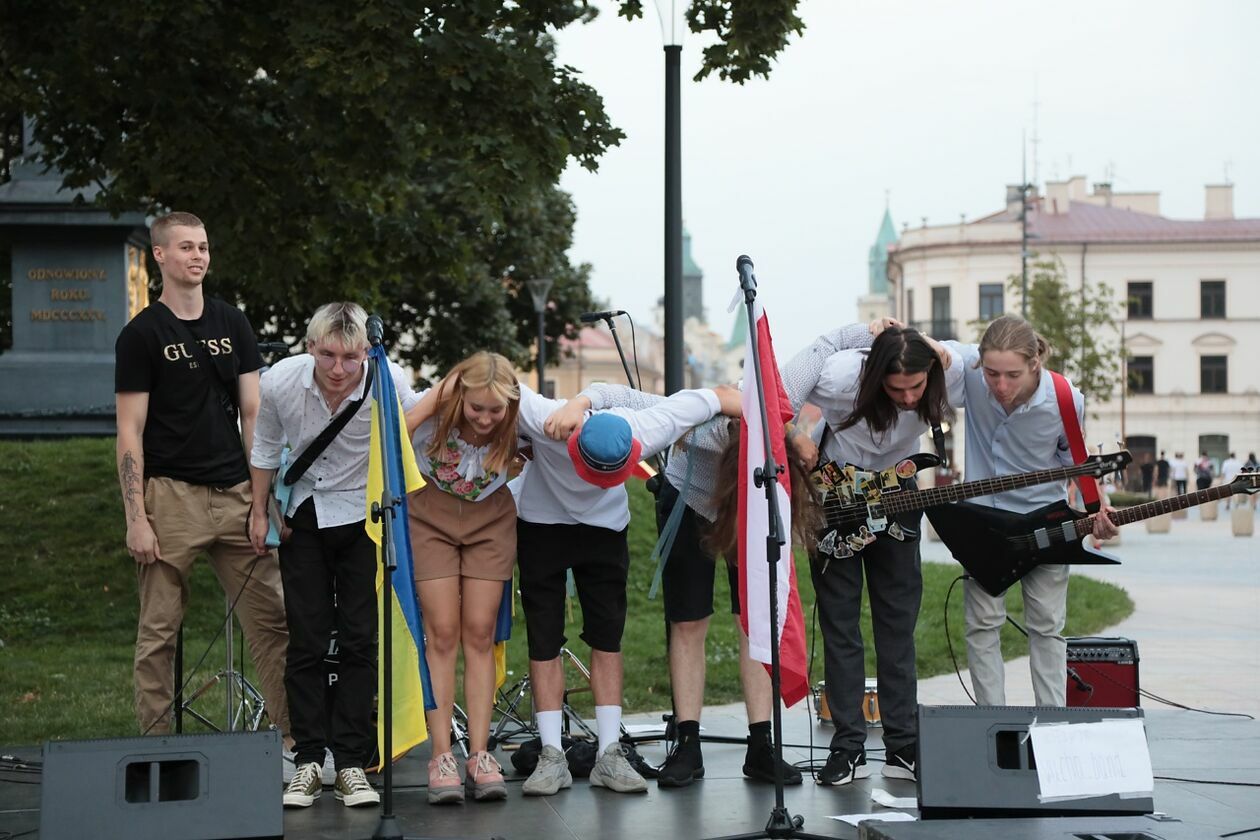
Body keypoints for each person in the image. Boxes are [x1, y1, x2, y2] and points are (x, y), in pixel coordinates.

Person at [567, 320, 885, 788]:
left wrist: (876, 330)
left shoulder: (784, 408)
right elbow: (613, 394)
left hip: (751, 512)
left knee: (757, 619)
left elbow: (827, 343)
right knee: (689, 620)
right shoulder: (699, 415)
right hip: (688, 501)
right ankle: (688, 744)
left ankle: (761, 746)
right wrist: (579, 403)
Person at [514, 384, 741, 796]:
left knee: (608, 638)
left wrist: (787, 427)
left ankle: (610, 753)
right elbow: (490, 382)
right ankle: (550, 755)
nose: (601, 482)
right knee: (543, 639)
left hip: (605, 530)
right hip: (542, 524)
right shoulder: (543, 416)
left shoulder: (647, 426)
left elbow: (721, 396)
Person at [115, 211, 290, 743]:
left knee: (274, 623)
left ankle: (295, 744)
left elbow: (254, 414)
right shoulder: (141, 335)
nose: (198, 256)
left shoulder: (232, 323)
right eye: (186, 247)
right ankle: (157, 747)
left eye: (204, 247)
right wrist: (136, 519)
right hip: (170, 498)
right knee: (159, 632)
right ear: (160, 256)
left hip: (237, 492)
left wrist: (263, 502)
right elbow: (130, 432)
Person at [251, 302, 419, 809]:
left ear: (367, 350)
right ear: (310, 348)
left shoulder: (388, 379)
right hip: (303, 514)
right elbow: (264, 448)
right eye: (328, 355)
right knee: (304, 638)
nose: (340, 368)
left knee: (359, 640)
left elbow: (413, 431)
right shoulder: (281, 381)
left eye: (351, 356)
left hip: (363, 517)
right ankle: (306, 761)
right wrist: (258, 512)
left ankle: (350, 763)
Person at [805, 326, 963, 786]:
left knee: (897, 624)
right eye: (897, 389)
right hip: (834, 497)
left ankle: (903, 746)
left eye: (917, 385)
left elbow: (983, 360)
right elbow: (778, 385)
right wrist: (796, 434)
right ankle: (848, 746)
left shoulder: (940, 378)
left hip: (898, 498)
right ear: (876, 378)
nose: (910, 397)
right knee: (840, 625)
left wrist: (942, 351)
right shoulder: (839, 379)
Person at [946, 316, 1118, 709]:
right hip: (983, 525)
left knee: (1046, 627)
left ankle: (1053, 721)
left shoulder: (1065, 398)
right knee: (982, 626)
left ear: (1034, 363)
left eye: (1012, 375)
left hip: (1046, 522)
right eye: (992, 373)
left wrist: (1096, 508)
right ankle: (990, 722)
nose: (1001, 385)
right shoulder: (972, 372)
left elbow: (1074, 458)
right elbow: (935, 351)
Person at [400, 352, 522, 804]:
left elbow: (562, 426)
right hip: (429, 519)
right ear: (460, 397)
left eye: (496, 409)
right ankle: (440, 756)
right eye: (477, 408)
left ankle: (480, 753)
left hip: (490, 523)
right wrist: (438, 397)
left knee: (479, 632)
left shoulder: (517, 415)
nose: (487, 419)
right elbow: (395, 436)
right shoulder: (435, 408)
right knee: (443, 633)